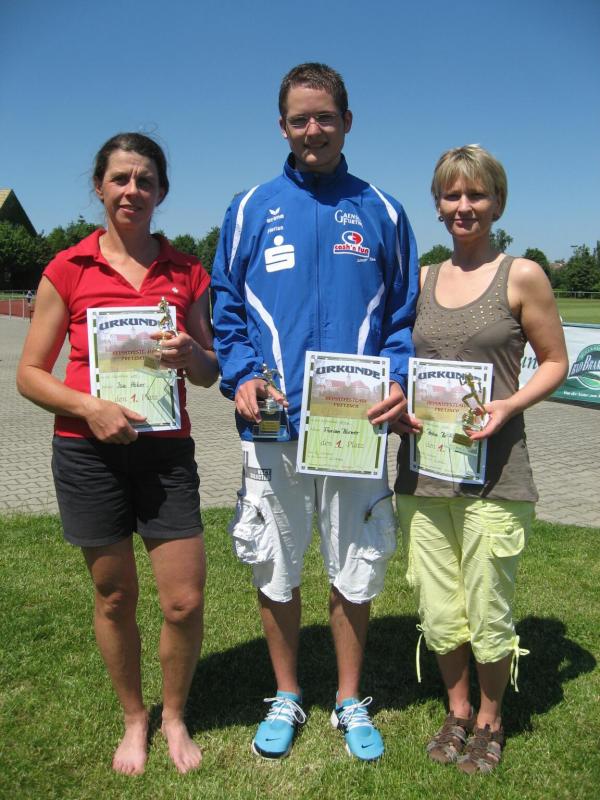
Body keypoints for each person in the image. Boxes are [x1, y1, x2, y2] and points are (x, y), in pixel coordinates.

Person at [211, 63, 419, 761]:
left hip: (355, 426)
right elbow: (225, 304)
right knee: (274, 562)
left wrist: (395, 378)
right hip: (272, 423)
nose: (313, 130)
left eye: (325, 117)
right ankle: (288, 693)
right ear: (283, 127)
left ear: (346, 122)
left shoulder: (384, 210)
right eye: (300, 118)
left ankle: (349, 697)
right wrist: (241, 374)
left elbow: (403, 316)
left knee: (355, 562)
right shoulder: (250, 207)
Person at [17, 133, 218, 776]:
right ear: (100, 186)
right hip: (87, 453)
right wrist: (89, 407)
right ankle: (135, 717)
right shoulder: (67, 267)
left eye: (146, 180)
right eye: (121, 178)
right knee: (113, 596)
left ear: (162, 191)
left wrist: (193, 354)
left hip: (165, 456)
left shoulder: (187, 272)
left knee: (183, 601)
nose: (133, 190)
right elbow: (29, 374)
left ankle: (174, 714)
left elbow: (211, 371)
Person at [393, 144, 568, 774]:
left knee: (489, 609)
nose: (463, 206)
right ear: (438, 205)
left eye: (476, 194)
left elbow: (556, 361)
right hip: (422, 473)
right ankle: (458, 709)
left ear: (497, 202)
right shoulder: (420, 279)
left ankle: (492, 719)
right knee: (440, 609)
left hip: (496, 474)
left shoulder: (521, 275)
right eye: (452, 195)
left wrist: (508, 404)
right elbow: (398, 359)